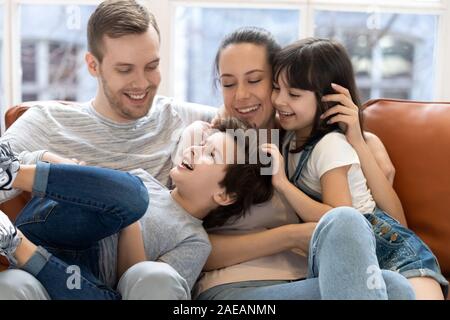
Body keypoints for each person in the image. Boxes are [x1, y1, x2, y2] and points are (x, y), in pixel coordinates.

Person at [0, 0, 217, 300]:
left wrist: (206, 130)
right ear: (93, 65)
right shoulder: (46, 121)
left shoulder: (180, 118)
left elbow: (253, 128)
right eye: (125, 69)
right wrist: (41, 160)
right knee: (9, 286)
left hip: (99, 283)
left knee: (154, 275)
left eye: (152, 66)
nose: (142, 83)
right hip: (51, 248)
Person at [193, 27, 412, 300]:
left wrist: (363, 140)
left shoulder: (293, 140)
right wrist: (292, 236)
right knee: (347, 225)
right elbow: (187, 244)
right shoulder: (207, 142)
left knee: (396, 286)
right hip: (237, 286)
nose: (240, 96)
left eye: (255, 80)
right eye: (228, 84)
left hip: (313, 279)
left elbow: (397, 224)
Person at [0, 118, 274, 299]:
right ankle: (13, 173)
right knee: (133, 193)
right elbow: (85, 191)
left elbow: (138, 281)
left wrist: (129, 221)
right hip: (60, 225)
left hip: (69, 277)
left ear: (225, 195)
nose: (193, 150)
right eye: (201, 144)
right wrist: (53, 161)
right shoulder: (141, 182)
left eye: (210, 154)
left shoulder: (194, 241)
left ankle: (14, 243)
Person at [262, 37, 448, 299]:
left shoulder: (330, 146)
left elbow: (338, 217)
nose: (279, 100)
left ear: (329, 100)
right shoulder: (290, 137)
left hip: (392, 252)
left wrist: (281, 184)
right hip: (349, 255)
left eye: (293, 94)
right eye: (275, 88)